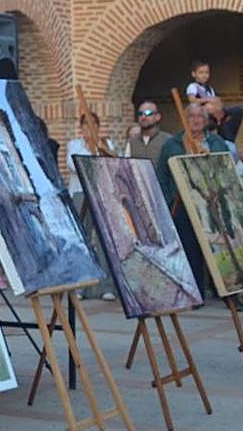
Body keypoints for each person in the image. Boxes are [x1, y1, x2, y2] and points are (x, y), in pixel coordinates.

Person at [157, 102, 230, 297]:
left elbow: (225, 170)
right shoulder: (172, 144)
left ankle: (226, 292)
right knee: (190, 249)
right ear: (185, 119)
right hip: (183, 205)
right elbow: (162, 176)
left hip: (211, 204)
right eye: (191, 116)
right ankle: (196, 293)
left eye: (199, 116)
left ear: (206, 120)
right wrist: (170, 199)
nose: (196, 120)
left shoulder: (216, 143)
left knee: (219, 249)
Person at [66, 111, 117, 301]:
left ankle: (107, 286)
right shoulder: (74, 145)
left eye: (92, 125)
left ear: (97, 126)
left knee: (104, 240)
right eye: (85, 125)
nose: (89, 129)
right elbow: (75, 165)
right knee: (83, 239)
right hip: (80, 193)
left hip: (101, 194)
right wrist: (92, 151)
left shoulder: (106, 143)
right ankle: (81, 286)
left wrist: (101, 148)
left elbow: (110, 164)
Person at [186, 61, 242, 142]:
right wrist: (208, 99)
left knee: (237, 111)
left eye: (206, 72)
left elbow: (215, 100)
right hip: (205, 114)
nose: (204, 75)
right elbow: (193, 101)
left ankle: (229, 140)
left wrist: (219, 109)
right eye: (200, 72)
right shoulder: (193, 86)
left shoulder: (209, 88)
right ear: (193, 74)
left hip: (216, 112)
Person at [124, 99, 171, 166]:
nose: (143, 117)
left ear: (157, 117)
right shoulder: (132, 142)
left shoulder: (168, 141)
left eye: (148, 113)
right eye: (140, 114)